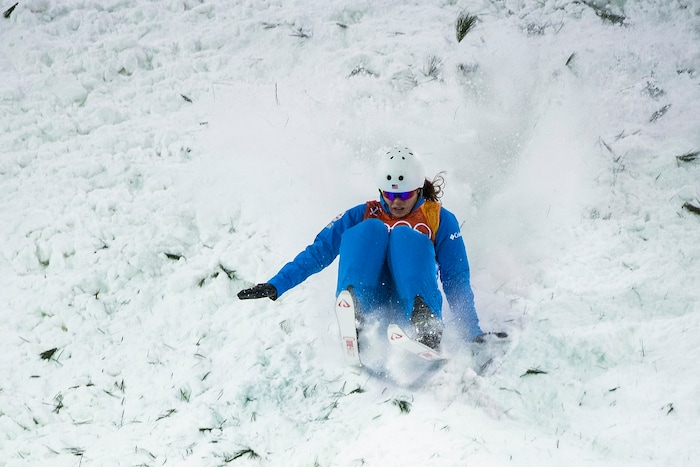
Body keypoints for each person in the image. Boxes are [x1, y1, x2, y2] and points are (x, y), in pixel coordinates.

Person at [238, 146, 484, 349]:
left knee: (404, 236)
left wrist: (472, 331)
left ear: (419, 189)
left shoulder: (439, 218)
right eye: (389, 194)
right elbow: (319, 250)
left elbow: (456, 278)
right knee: (369, 230)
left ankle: (426, 326)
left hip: (415, 298)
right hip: (374, 295)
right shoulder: (364, 213)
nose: (396, 202)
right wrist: (277, 283)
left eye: (405, 194)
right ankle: (355, 312)